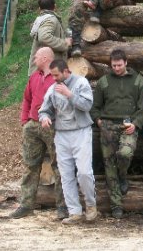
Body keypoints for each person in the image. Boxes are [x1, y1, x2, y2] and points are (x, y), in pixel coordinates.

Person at [10, 47, 67, 220]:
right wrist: (25, 121)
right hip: (32, 125)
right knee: (30, 165)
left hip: (53, 127)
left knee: (60, 166)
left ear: (44, 58)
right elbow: (26, 99)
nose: (34, 59)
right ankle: (26, 204)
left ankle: (62, 207)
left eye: (36, 56)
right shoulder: (34, 77)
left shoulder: (58, 78)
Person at [90, 49, 143, 219]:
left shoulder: (138, 81)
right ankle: (116, 206)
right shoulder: (104, 82)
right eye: (113, 65)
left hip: (127, 125)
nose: (116, 68)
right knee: (109, 164)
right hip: (107, 125)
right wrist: (99, 121)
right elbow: (95, 107)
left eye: (119, 65)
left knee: (125, 153)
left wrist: (136, 124)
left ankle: (123, 175)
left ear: (126, 62)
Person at [38, 58, 97, 224]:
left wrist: (69, 94)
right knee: (66, 174)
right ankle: (74, 212)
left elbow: (87, 105)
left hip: (81, 132)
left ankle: (91, 206)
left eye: (56, 75)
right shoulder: (52, 88)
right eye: (52, 75)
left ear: (66, 71)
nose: (54, 78)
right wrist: (44, 118)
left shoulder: (81, 83)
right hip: (62, 134)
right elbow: (44, 110)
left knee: (84, 172)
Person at [28, 0, 71, 75]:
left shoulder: (41, 20)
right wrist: (64, 43)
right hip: (46, 72)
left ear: (39, 9)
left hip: (41, 71)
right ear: (55, 6)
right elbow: (44, 37)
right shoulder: (50, 20)